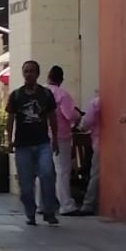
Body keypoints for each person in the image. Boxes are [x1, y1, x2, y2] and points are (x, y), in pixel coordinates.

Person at [6, 60, 59, 226]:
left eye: (32, 71)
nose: (29, 74)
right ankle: (30, 212)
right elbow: (10, 118)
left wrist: (55, 139)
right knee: (25, 183)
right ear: (23, 74)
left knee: (47, 175)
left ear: (37, 74)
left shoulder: (46, 94)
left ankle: (49, 211)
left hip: (43, 143)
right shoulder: (16, 95)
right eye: (26, 71)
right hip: (22, 145)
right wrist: (9, 139)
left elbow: (52, 117)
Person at [47, 65, 81, 215]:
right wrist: (78, 115)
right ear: (61, 80)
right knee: (62, 171)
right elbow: (69, 115)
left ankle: (41, 204)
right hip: (61, 136)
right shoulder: (63, 95)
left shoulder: (42, 92)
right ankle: (66, 205)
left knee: (44, 171)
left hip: (42, 136)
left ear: (48, 77)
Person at [74, 90, 100, 216]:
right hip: (112, 142)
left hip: (99, 142)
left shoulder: (96, 102)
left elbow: (86, 123)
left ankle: (88, 204)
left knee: (95, 173)